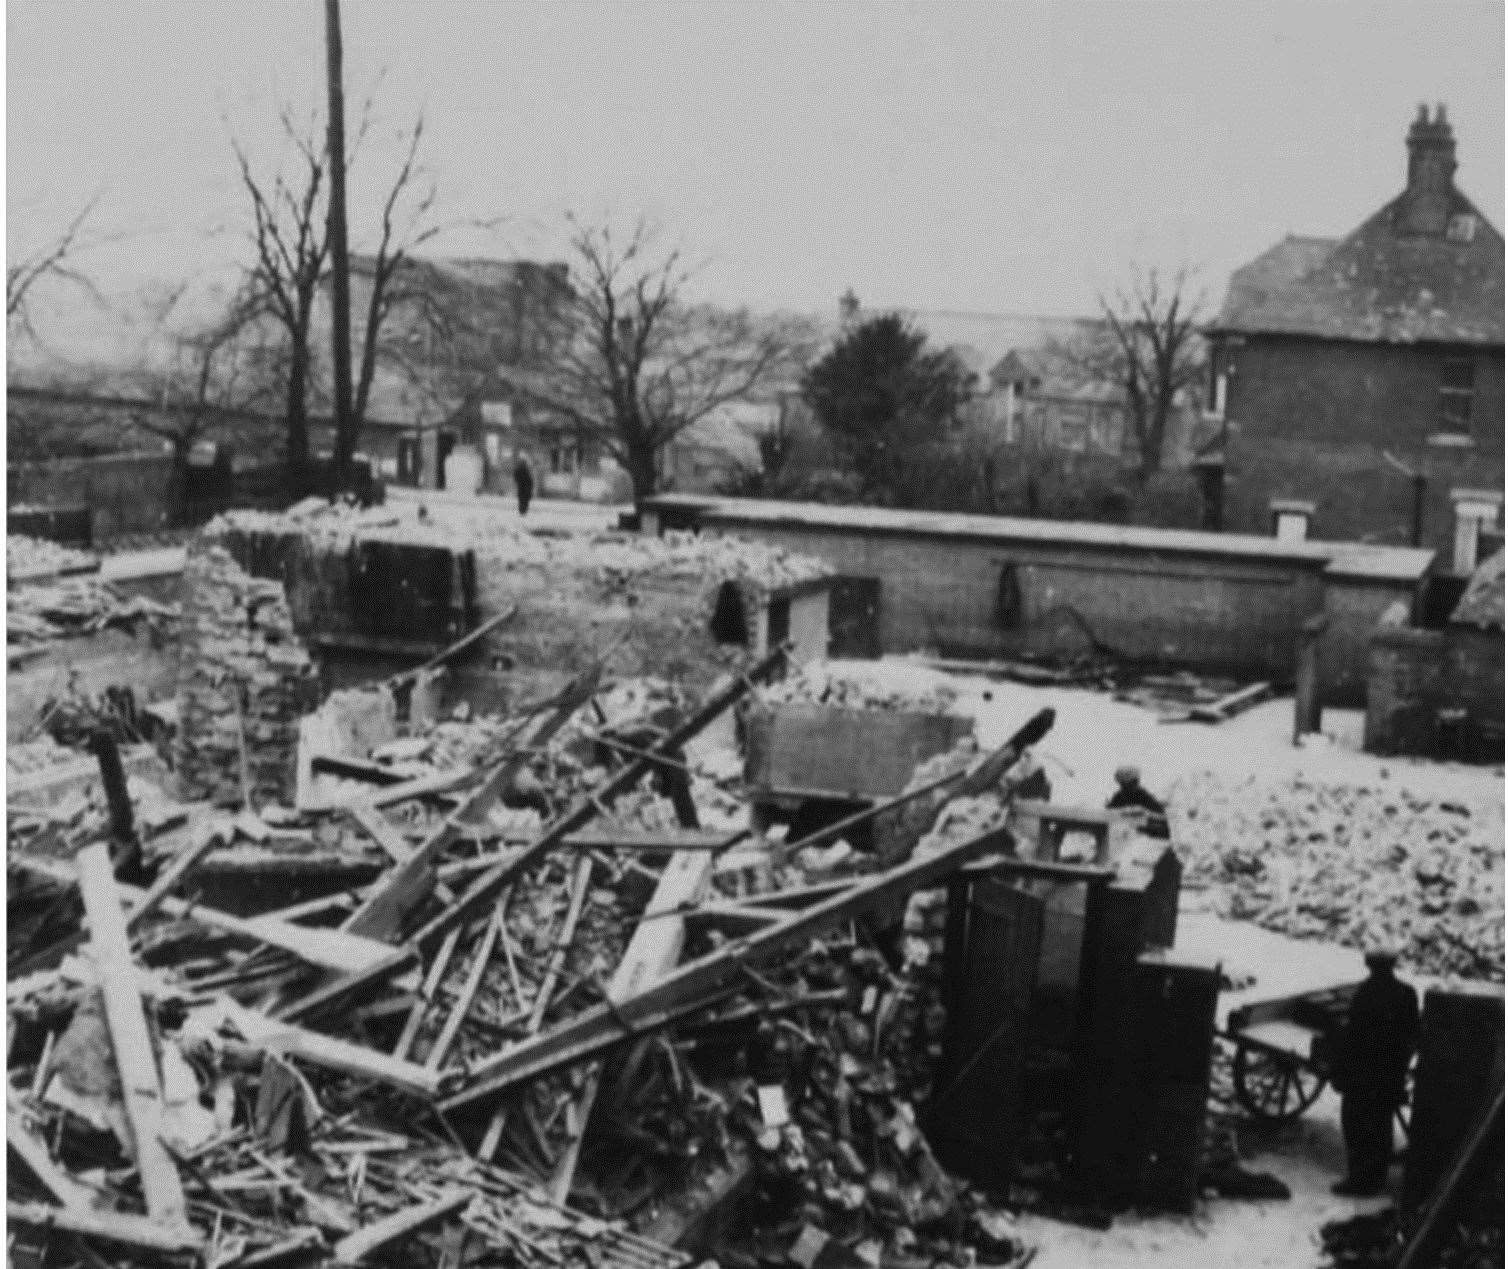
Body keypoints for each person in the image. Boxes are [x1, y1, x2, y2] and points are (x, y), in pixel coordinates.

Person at [1331, 946, 1419, 1196]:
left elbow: (1353, 1037)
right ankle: (1375, 1177)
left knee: (1356, 1123)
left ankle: (1360, 1180)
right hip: (1388, 1075)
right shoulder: (1407, 993)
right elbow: (1412, 1035)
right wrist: (1400, 1068)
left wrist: (1340, 1072)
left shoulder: (1365, 993)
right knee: (1381, 1125)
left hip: (1363, 1075)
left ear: (1370, 965)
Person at [1106, 765, 1170, 838]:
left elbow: (1159, 816)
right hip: (1125, 833)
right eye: (1123, 783)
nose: (1125, 786)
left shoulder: (1143, 796)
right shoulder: (1118, 797)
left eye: (1132, 782)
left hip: (1145, 835)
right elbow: (1109, 813)